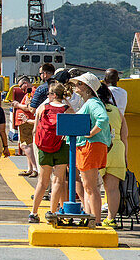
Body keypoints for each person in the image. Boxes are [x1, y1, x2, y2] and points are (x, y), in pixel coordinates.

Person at [70, 72, 111, 224]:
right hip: (89, 146)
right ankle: (92, 216)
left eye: (79, 84)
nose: (76, 86)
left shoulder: (93, 103)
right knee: (88, 186)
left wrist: (90, 133)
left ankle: (96, 219)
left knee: (90, 186)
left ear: (87, 88)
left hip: (90, 146)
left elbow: (103, 119)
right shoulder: (90, 103)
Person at [28, 81, 71, 222]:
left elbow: (35, 130)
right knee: (58, 180)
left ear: (53, 95)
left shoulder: (43, 107)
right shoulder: (67, 108)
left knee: (42, 181)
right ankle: (52, 212)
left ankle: (33, 213)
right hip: (61, 146)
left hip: (44, 147)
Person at [100, 84, 129, 229]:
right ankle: (111, 218)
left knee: (91, 187)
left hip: (99, 149)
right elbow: (125, 136)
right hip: (117, 149)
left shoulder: (94, 109)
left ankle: (94, 216)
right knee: (112, 188)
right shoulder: (118, 112)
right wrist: (125, 156)